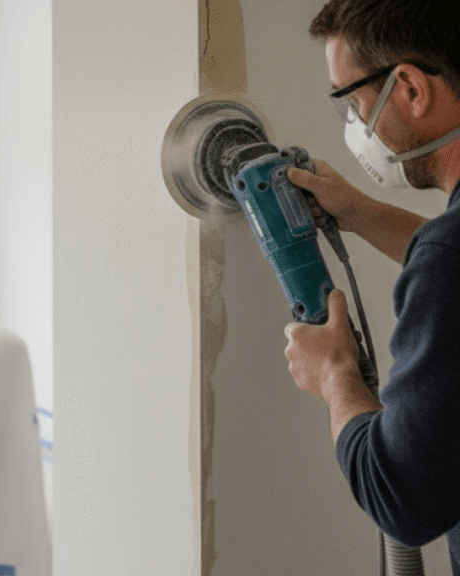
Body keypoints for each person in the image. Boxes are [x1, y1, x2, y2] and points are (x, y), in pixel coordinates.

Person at [281, 0, 460, 571]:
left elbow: (401, 499)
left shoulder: (447, 262)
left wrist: (335, 377)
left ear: (409, 88)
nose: (357, 127)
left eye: (352, 101)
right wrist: (358, 212)